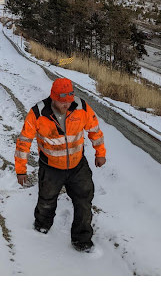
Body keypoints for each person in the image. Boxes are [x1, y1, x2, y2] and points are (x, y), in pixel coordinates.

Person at [15, 77, 106, 252]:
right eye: (62, 102)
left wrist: (100, 153)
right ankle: (42, 225)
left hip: (77, 165)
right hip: (50, 167)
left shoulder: (81, 107)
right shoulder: (38, 113)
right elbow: (23, 142)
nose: (66, 105)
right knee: (47, 200)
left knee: (84, 201)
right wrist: (21, 170)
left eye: (69, 101)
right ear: (53, 97)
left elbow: (95, 130)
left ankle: (82, 239)